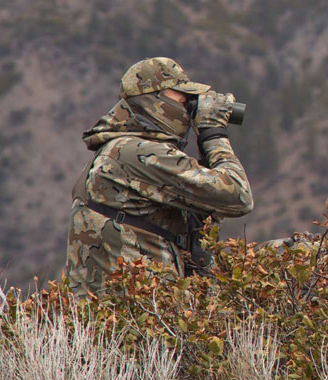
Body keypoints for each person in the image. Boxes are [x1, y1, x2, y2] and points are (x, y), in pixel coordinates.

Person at [66, 57, 253, 297]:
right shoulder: (135, 152)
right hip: (140, 312)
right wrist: (213, 134)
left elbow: (207, 215)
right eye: (182, 97)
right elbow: (238, 196)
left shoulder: (118, 150)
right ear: (155, 102)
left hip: (130, 306)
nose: (189, 106)